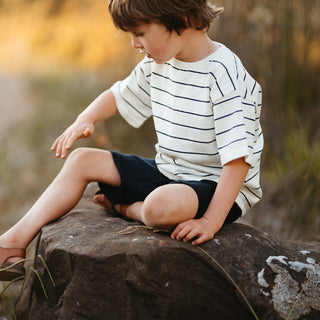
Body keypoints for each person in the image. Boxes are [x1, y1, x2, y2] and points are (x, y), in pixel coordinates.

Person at [0, 0, 263, 281]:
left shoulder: (224, 73)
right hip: (168, 172)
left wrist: (210, 221)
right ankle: (12, 242)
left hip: (216, 185)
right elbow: (119, 94)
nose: (134, 44)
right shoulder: (158, 63)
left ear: (182, 21)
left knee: (159, 206)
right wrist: (85, 118)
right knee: (82, 159)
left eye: (139, 33)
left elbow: (238, 159)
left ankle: (127, 208)